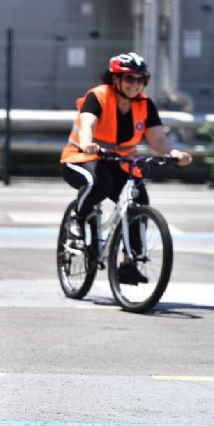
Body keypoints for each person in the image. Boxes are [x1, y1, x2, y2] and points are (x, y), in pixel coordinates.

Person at [60, 51, 193, 284]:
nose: (135, 84)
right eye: (129, 78)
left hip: (118, 163)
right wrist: (87, 143)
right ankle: (77, 217)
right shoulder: (99, 96)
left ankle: (128, 263)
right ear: (115, 79)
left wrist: (173, 154)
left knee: (139, 200)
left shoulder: (145, 104)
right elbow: (87, 123)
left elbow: (158, 140)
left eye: (141, 79)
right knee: (98, 184)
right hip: (80, 158)